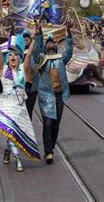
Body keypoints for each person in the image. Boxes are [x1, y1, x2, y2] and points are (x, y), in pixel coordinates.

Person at [0, 29, 40, 171]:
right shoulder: (3, 70)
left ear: (19, 58)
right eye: (11, 55)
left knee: (13, 132)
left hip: (19, 106)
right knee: (11, 128)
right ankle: (17, 159)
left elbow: (29, 54)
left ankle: (8, 151)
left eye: (15, 55)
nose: (13, 57)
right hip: (6, 104)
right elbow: (0, 54)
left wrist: (35, 40)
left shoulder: (22, 70)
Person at [32, 21, 73, 165]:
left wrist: (69, 32)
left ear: (55, 46)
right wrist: (39, 34)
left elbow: (69, 50)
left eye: (52, 42)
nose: (50, 43)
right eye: (47, 42)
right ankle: (48, 151)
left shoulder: (61, 58)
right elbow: (36, 51)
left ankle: (51, 148)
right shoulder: (40, 58)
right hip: (45, 96)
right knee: (47, 123)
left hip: (59, 95)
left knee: (56, 124)